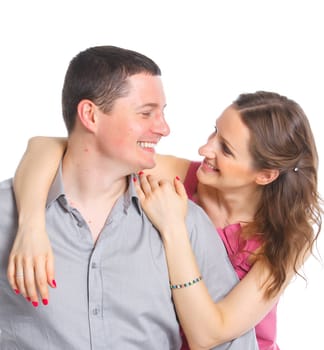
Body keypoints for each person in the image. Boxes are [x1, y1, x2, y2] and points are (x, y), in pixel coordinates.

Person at [0, 45, 258, 349]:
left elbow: (231, 343)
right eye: (146, 113)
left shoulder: (185, 222)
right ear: (90, 115)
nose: (164, 128)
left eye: (162, 113)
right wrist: (30, 223)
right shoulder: (7, 214)